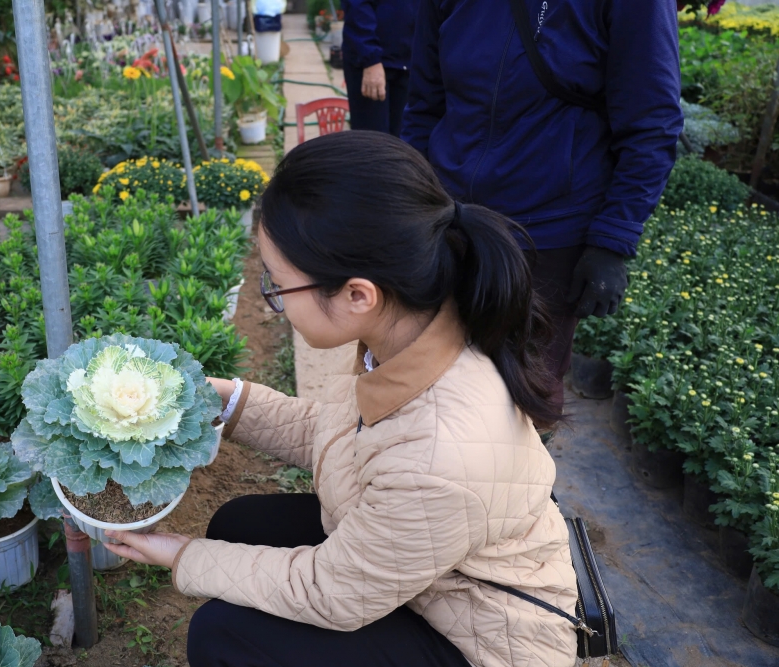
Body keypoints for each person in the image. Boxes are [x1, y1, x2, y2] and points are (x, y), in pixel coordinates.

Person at [103, 132, 579, 667]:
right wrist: (224, 400)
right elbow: (338, 436)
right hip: (436, 579)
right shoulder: (416, 331)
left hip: (484, 642)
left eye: (277, 287)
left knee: (223, 634)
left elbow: (332, 593)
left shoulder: (439, 455)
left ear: (358, 294)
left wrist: (180, 555)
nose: (272, 299)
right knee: (239, 525)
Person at [401, 0, 684, 412]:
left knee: (523, 404)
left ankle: (524, 476)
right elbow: (424, 103)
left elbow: (652, 122)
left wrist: (613, 238)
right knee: (426, 389)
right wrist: (411, 200)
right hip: (450, 222)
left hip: (547, 233)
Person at [341, 0, 418, 136]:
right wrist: (370, 58)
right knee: (374, 144)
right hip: (374, 64)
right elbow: (357, 7)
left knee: (405, 144)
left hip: (409, 61)